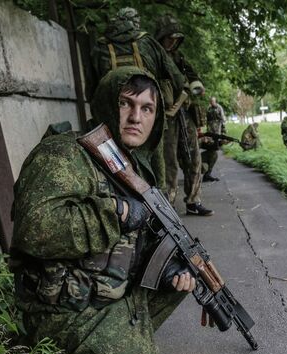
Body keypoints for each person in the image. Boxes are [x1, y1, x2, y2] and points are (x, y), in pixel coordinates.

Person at [11, 67, 196, 354]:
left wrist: (168, 269)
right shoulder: (65, 154)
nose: (136, 117)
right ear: (108, 103)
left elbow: (141, 241)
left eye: (147, 108)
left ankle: (130, 337)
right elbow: (34, 228)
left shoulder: (136, 167)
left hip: (109, 292)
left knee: (179, 284)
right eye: (127, 103)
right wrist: (118, 213)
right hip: (64, 312)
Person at [88, 7, 186, 194]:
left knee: (112, 173)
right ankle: (160, 205)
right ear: (136, 22)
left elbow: (91, 92)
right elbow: (177, 79)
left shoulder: (99, 46)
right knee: (156, 173)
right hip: (149, 124)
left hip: (108, 126)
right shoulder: (147, 42)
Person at [155, 15, 213, 216]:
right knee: (168, 161)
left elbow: (194, 78)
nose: (172, 42)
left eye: (175, 39)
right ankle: (168, 205)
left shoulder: (179, 58)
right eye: (169, 38)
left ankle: (193, 201)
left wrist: (195, 86)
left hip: (183, 113)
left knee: (193, 157)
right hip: (165, 117)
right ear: (161, 37)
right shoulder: (153, 57)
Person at [201, 97, 227, 182]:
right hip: (210, 132)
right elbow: (206, 121)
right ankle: (207, 173)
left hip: (217, 131)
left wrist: (223, 132)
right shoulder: (209, 108)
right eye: (210, 101)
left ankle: (208, 173)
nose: (211, 102)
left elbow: (223, 120)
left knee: (214, 149)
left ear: (215, 101)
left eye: (212, 101)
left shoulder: (219, 108)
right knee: (212, 150)